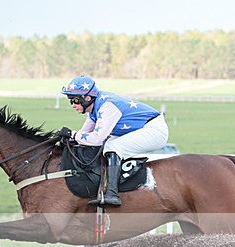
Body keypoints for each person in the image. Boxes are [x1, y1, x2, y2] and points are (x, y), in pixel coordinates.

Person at [57, 75, 169, 207]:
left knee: (112, 147)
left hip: (155, 130)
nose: (73, 105)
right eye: (70, 100)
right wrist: (69, 137)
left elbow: (97, 139)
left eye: (75, 100)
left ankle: (112, 193)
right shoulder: (93, 109)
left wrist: (73, 134)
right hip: (138, 129)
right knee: (106, 146)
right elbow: (84, 136)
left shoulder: (107, 107)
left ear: (87, 98)